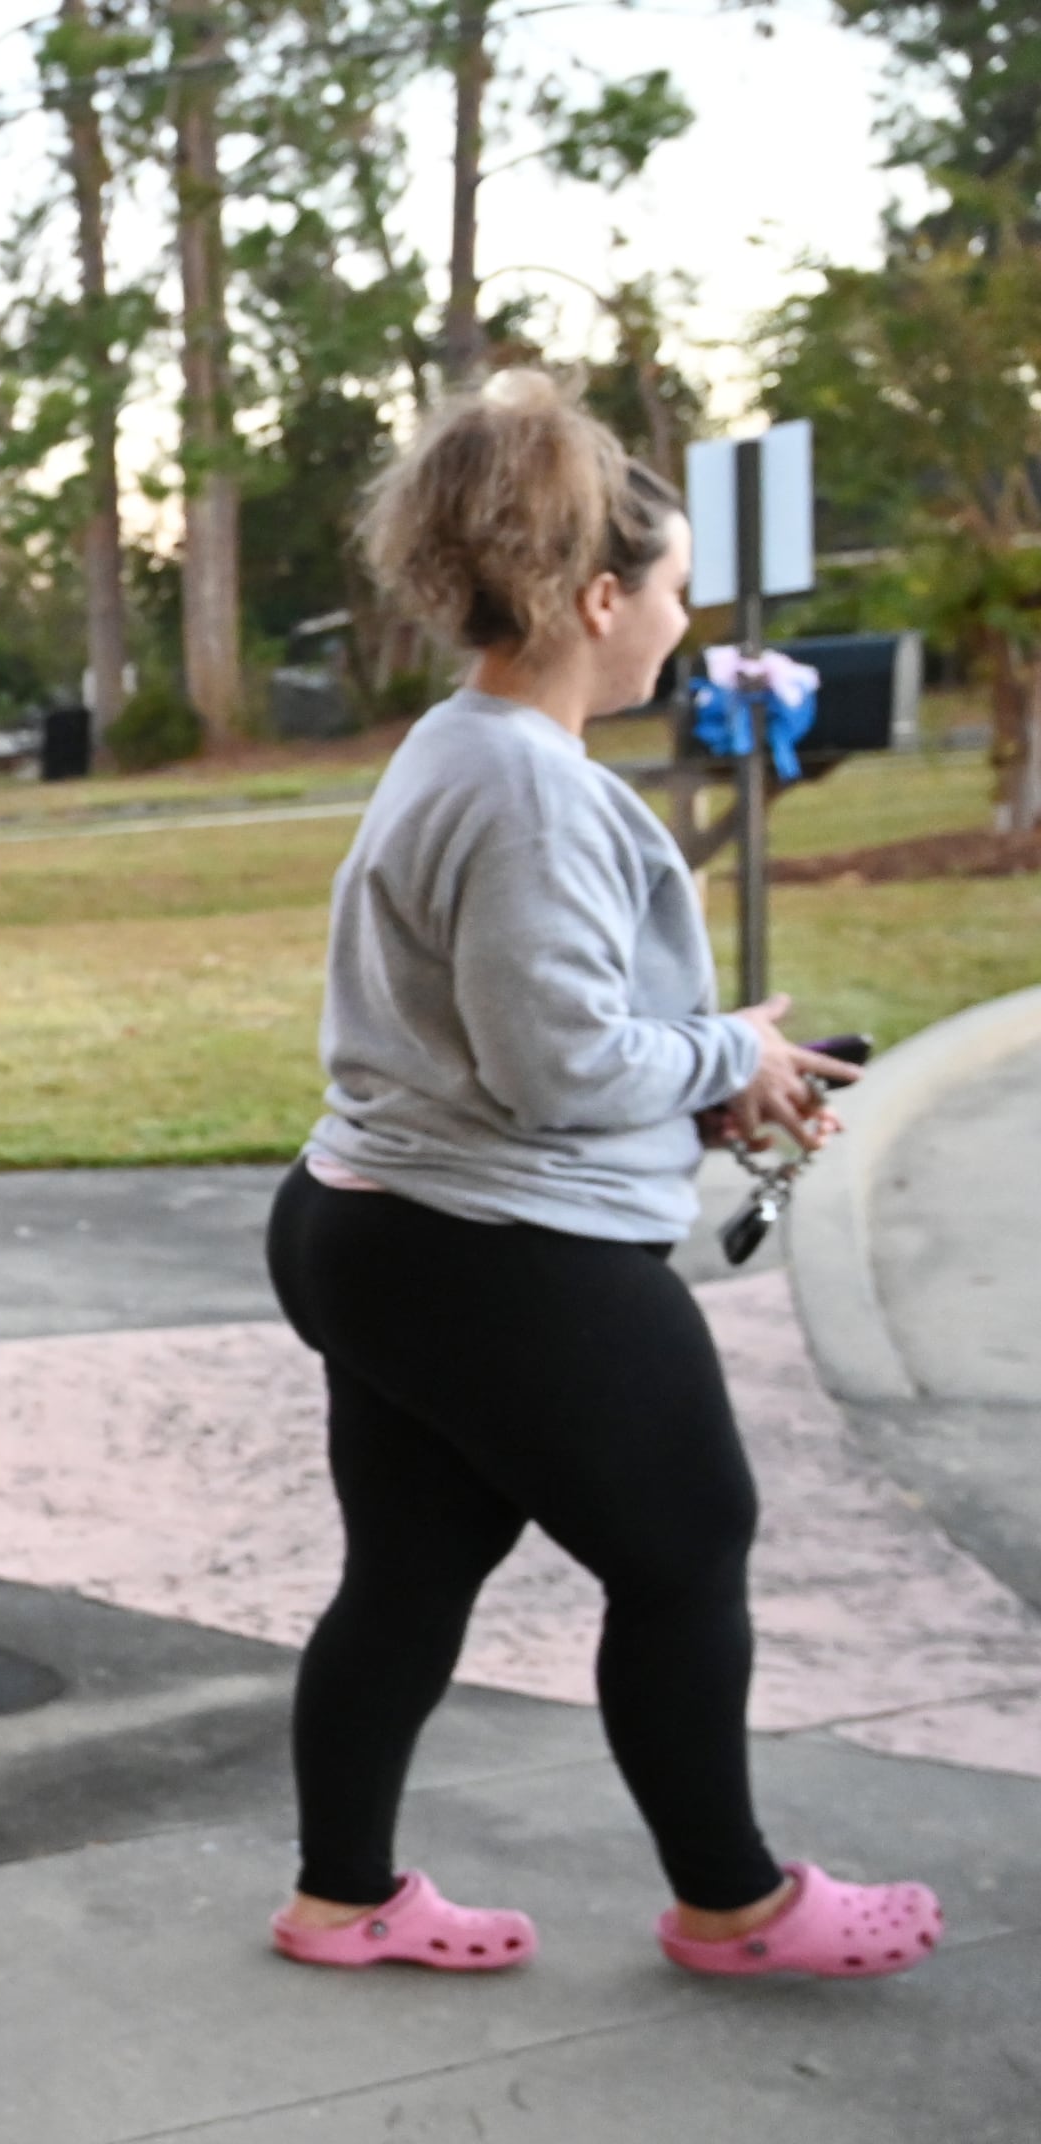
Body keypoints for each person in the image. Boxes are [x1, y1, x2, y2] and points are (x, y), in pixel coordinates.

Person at [263, 371, 942, 1984]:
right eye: (673, 589)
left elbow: (514, 1036)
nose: (685, 621)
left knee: (416, 1568)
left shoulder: (466, 747)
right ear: (595, 596)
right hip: (480, 1242)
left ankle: (341, 1898)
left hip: (389, 1219)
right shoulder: (526, 785)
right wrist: (726, 1062)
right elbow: (557, 1059)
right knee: (691, 1541)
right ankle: (737, 1906)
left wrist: (716, 1070)